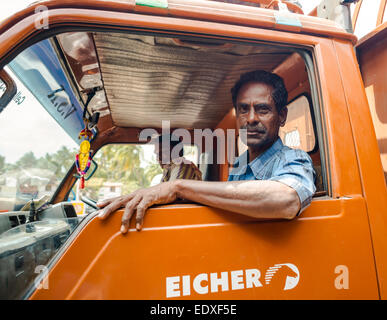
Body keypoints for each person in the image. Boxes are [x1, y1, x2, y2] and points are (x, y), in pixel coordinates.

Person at [97, 70, 316, 234]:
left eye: (262, 109)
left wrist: (176, 187)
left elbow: (287, 199)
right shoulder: (240, 164)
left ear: (282, 116)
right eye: (243, 109)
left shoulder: (294, 158)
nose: (250, 119)